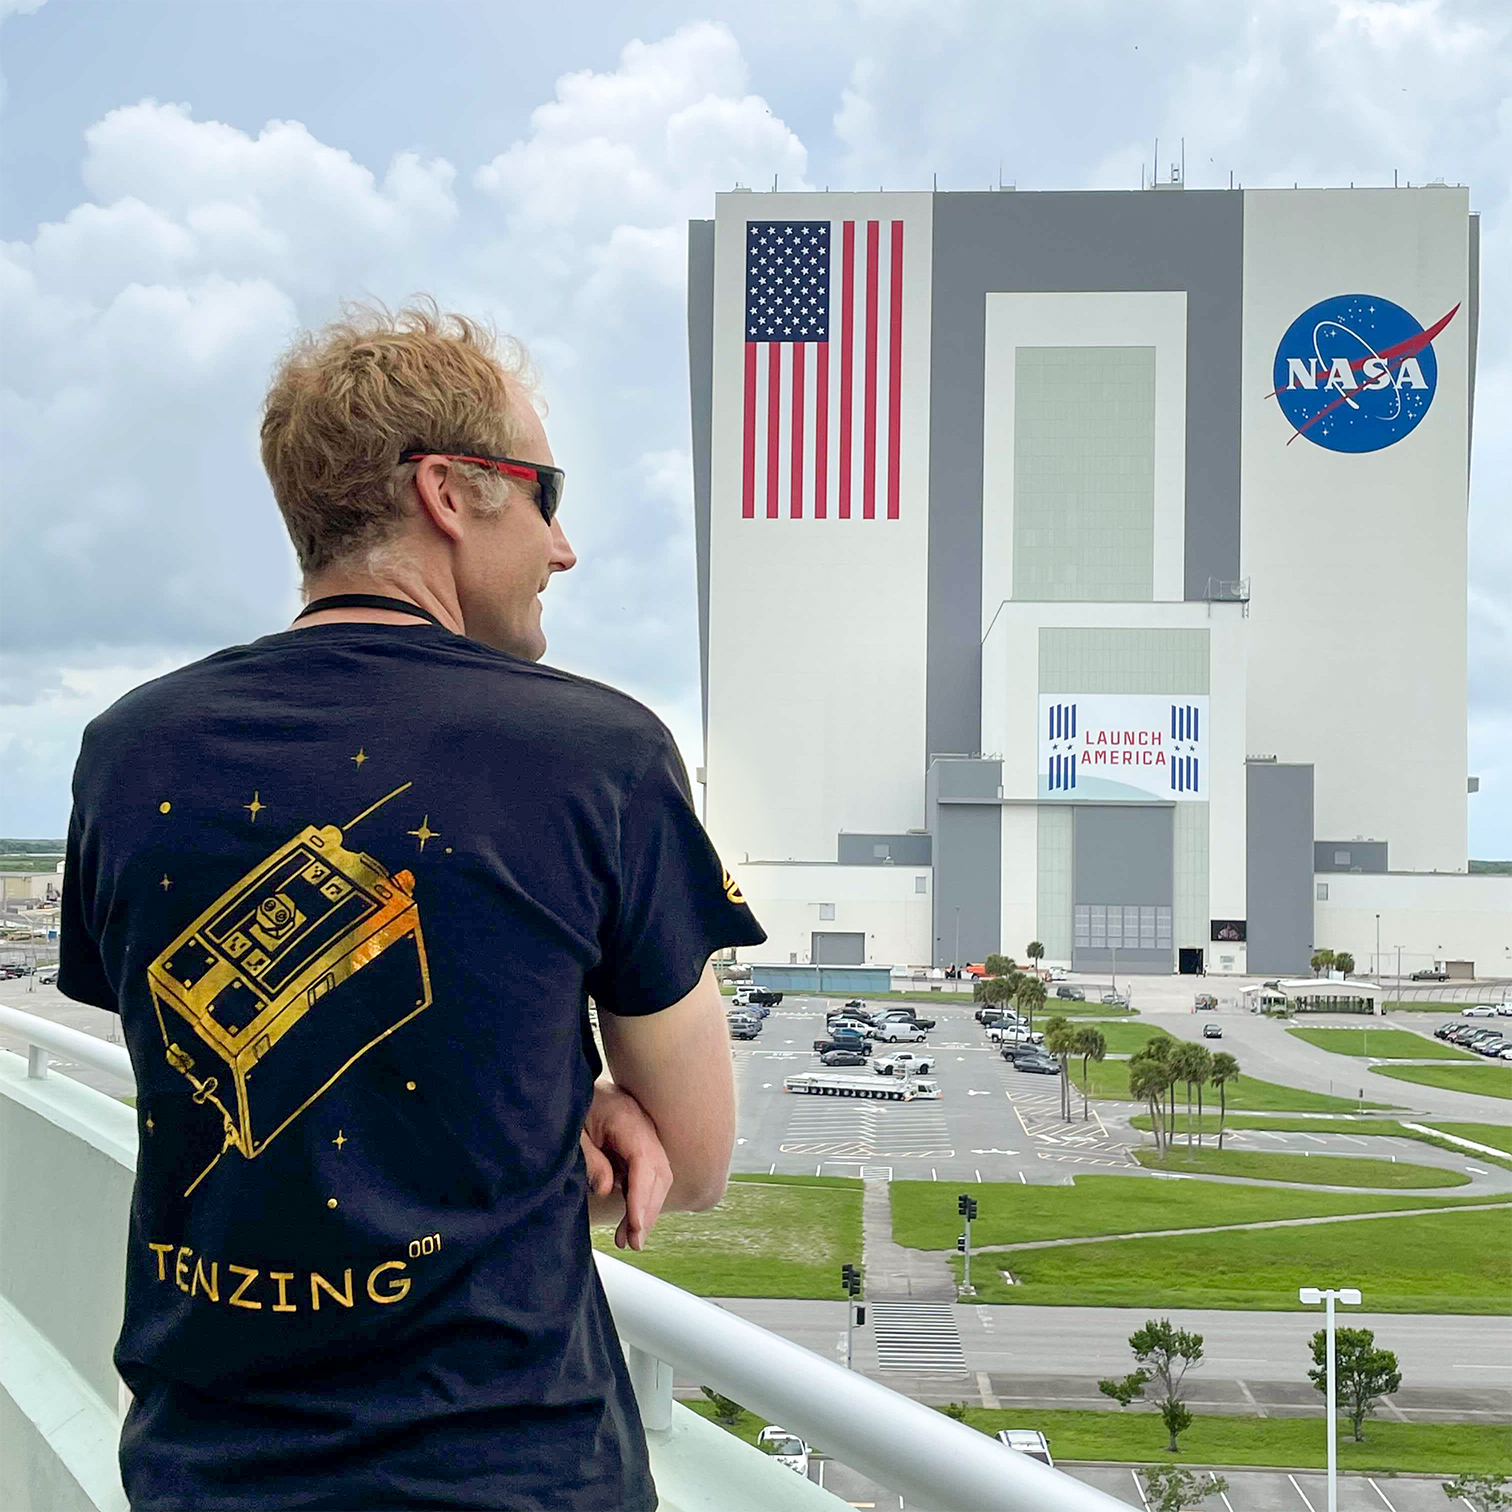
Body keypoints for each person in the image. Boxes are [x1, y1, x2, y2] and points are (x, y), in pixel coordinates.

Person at [58, 301, 766, 1511]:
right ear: (450, 490)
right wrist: (572, 1096)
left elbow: (177, 1068)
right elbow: (690, 1166)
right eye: (546, 494)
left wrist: (536, 1078)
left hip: (202, 1467)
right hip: (512, 1465)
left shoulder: (127, 750)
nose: (565, 547)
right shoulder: (597, 753)